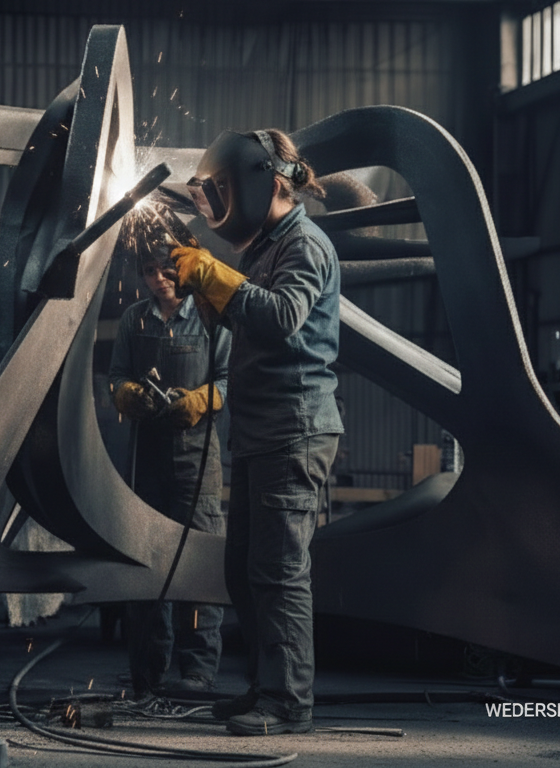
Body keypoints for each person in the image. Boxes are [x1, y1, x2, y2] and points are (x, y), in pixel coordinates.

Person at [172, 129, 343, 735]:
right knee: (246, 569)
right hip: (257, 431)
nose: (219, 201)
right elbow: (245, 316)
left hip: (293, 430)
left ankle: (289, 702)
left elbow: (283, 319)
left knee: (279, 571)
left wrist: (214, 276)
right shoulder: (265, 247)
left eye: (223, 189)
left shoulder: (305, 245)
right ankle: (264, 686)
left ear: (267, 183)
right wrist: (202, 280)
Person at [108, 246, 231, 698]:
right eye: (148, 272)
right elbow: (116, 374)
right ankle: (147, 674)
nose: (158, 279)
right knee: (146, 561)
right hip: (147, 456)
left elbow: (228, 380)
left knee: (196, 560)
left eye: (165, 270)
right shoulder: (133, 320)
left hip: (196, 456)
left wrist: (201, 401)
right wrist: (125, 394)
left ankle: (197, 671)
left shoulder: (210, 317)